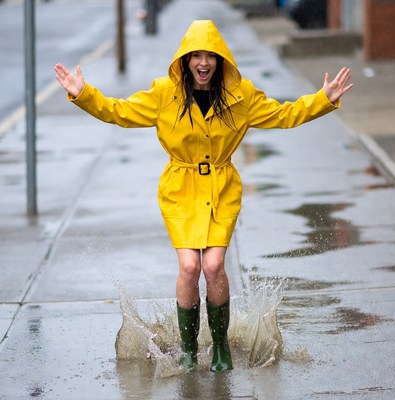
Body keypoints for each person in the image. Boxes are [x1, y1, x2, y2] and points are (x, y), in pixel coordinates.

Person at [54, 20, 353, 373]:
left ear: (220, 59)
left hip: (222, 190)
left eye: (209, 55)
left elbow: (283, 115)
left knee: (213, 267)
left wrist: (323, 100)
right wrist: (83, 93)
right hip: (179, 189)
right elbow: (119, 112)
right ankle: (190, 349)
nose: (203, 62)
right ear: (184, 60)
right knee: (189, 265)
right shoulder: (164, 93)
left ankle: (221, 346)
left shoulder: (241, 96)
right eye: (195, 55)